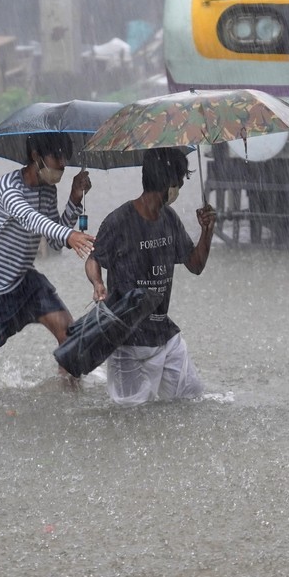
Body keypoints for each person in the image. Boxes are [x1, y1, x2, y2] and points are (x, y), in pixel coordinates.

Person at [84, 147, 217, 406]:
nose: (179, 188)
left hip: (163, 335)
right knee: (131, 415)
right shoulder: (119, 221)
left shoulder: (169, 218)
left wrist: (207, 231)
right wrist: (98, 282)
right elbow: (93, 259)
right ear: (168, 182)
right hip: (126, 339)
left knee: (194, 400)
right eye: (178, 181)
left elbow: (195, 264)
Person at [0, 133, 96, 391]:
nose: (62, 164)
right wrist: (70, 235)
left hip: (23, 279)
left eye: (65, 157)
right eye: (56, 156)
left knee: (70, 335)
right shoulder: (8, 189)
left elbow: (55, 240)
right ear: (36, 156)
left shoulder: (48, 190)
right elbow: (31, 220)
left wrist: (75, 199)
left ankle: (70, 401)